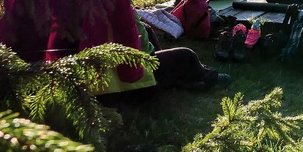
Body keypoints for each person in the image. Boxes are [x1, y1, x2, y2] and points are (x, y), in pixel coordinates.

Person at [99, 23, 231, 101]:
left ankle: (170, 76)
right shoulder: (111, 2)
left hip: (138, 61)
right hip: (134, 72)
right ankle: (205, 77)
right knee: (186, 54)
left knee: (147, 29)